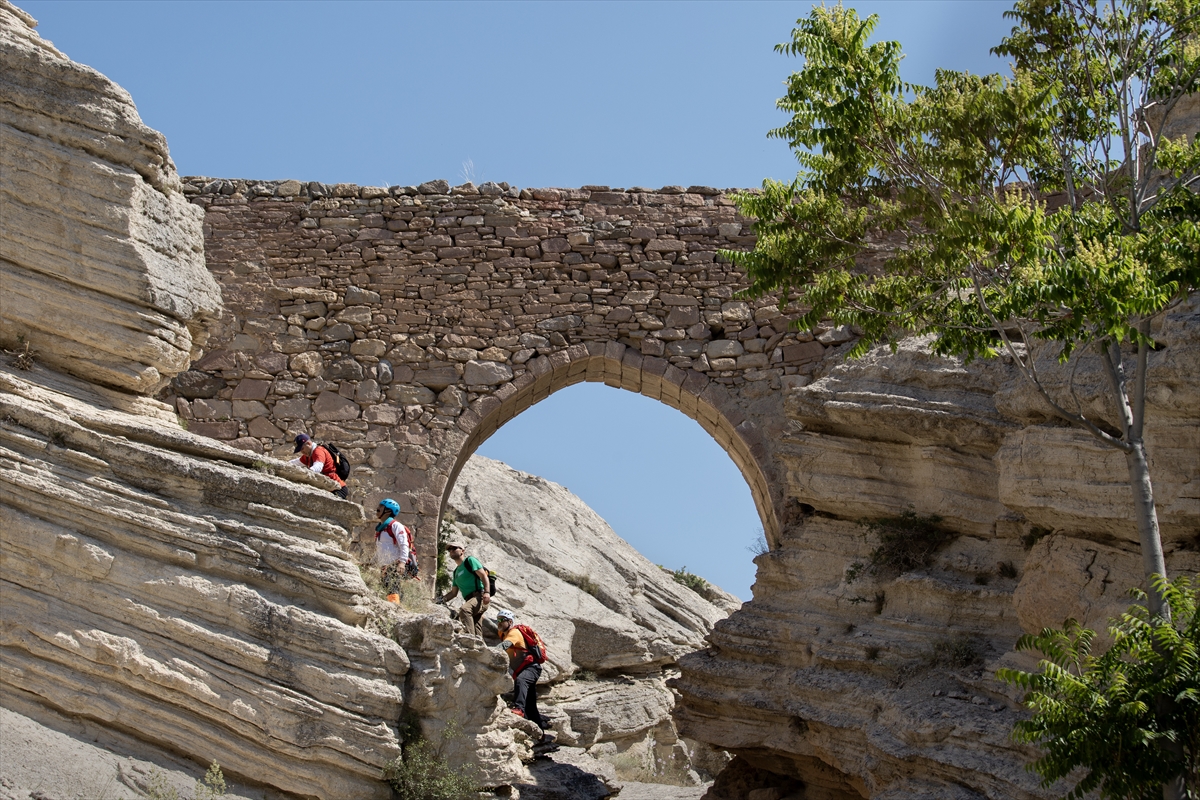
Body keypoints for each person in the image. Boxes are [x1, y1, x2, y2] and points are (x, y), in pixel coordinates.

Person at [495, 609, 550, 740]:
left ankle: (519, 708)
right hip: (525, 668)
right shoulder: (503, 632)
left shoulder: (514, 633)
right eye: (498, 620)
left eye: (502, 620)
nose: (499, 622)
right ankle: (541, 736)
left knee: (521, 680)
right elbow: (493, 628)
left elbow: (504, 645)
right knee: (531, 705)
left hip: (531, 668)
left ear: (510, 622)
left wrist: (489, 651)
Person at [436, 541, 490, 637]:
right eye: (449, 549)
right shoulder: (456, 572)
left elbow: (483, 576)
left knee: (464, 610)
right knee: (476, 628)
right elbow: (453, 593)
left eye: (454, 548)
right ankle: (478, 644)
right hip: (470, 600)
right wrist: (441, 600)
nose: (451, 550)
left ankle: (470, 639)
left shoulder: (470, 561)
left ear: (462, 551)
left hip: (479, 597)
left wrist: (487, 592)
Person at [290, 434, 347, 498]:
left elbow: (318, 466)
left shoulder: (318, 451)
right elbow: (295, 462)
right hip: (328, 488)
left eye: (302, 449)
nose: (302, 452)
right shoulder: (308, 455)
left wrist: (307, 472)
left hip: (337, 489)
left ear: (308, 443)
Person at [374, 499, 410, 590]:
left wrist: (402, 563)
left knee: (393, 591)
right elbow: (381, 548)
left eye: (381, 506)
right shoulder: (381, 528)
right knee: (386, 591)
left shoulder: (396, 526)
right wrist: (373, 562)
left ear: (388, 511)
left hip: (394, 566)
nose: (378, 508)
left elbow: (404, 545)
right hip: (384, 567)